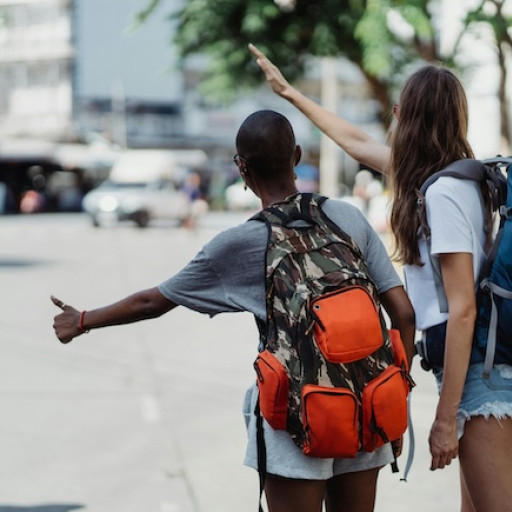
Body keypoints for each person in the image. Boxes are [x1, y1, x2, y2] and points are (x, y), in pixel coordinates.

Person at [52, 109, 415, 512]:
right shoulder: (347, 217)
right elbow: (403, 313)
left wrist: (82, 320)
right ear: (296, 156)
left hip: (298, 419)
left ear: (241, 167)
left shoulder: (242, 242)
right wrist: (395, 396)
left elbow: (153, 301)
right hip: (368, 405)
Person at [248, 44, 512, 511]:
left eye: (397, 110)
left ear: (408, 117)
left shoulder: (446, 194)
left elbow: (463, 307)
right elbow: (352, 140)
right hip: (476, 371)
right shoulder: (448, 179)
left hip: (479, 374)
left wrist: (444, 418)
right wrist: (289, 93)